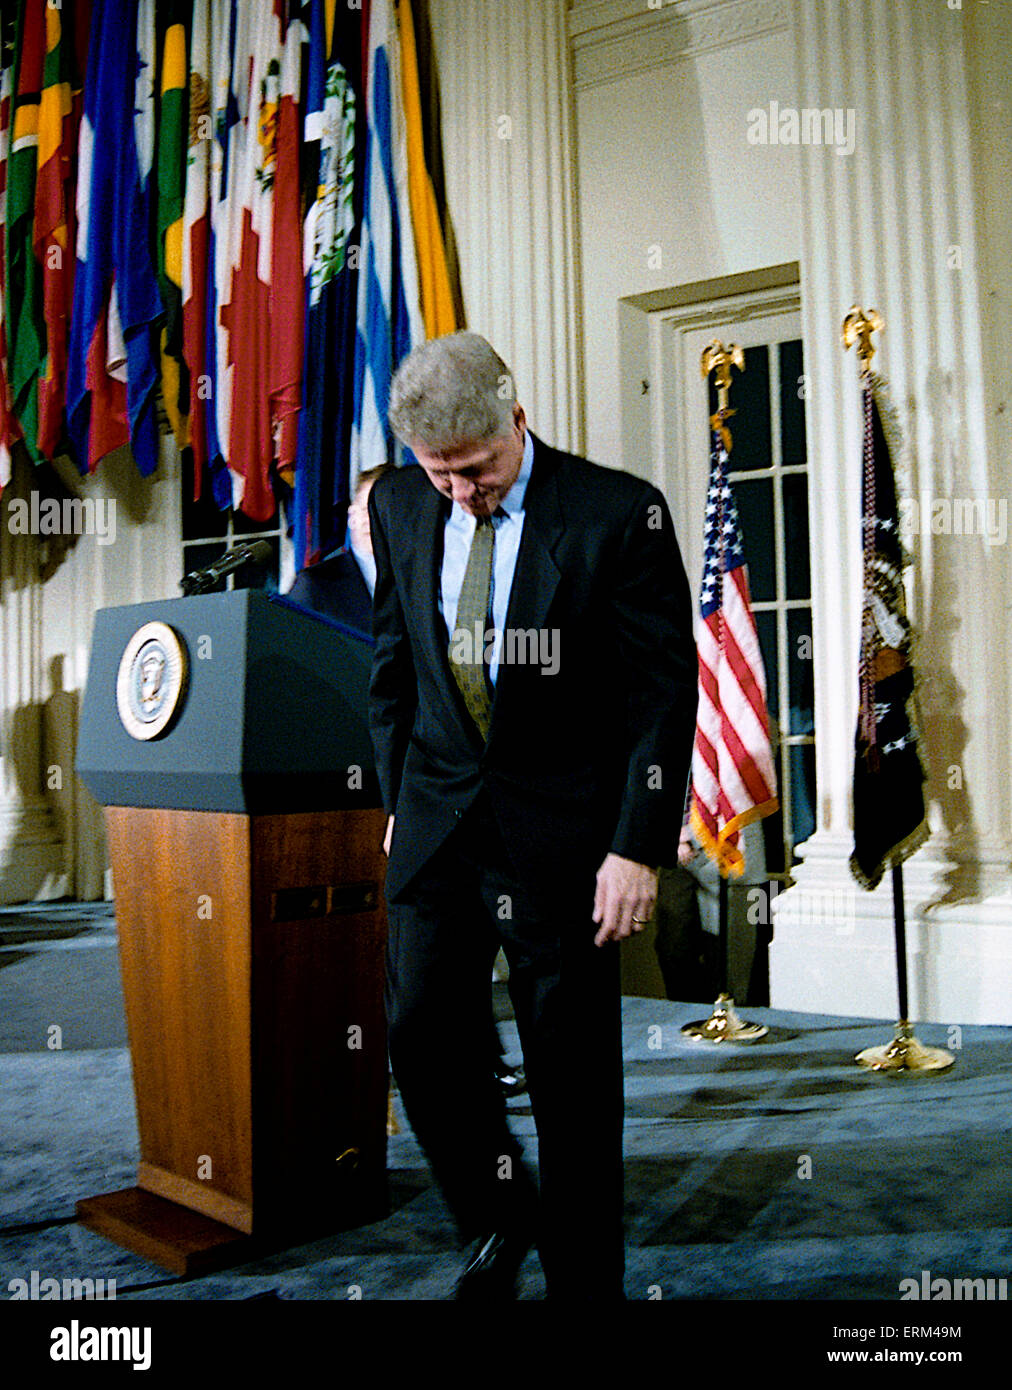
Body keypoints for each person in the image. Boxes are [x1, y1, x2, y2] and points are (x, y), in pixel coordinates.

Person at [367, 331, 697, 1301]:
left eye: (477, 471)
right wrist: (396, 799)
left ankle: (584, 1276)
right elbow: (391, 664)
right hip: (435, 818)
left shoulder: (613, 512)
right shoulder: (394, 502)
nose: (461, 493)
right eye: (443, 477)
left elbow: (658, 696)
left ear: (518, 419)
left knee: (571, 1075)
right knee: (423, 1035)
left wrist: (635, 848)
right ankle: (498, 1216)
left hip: (563, 836)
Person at [285, 463, 393, 635]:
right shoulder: (314, 584)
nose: (374, 520)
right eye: (367, 511)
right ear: (352, 517)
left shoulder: (433, 579)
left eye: (385, 511)